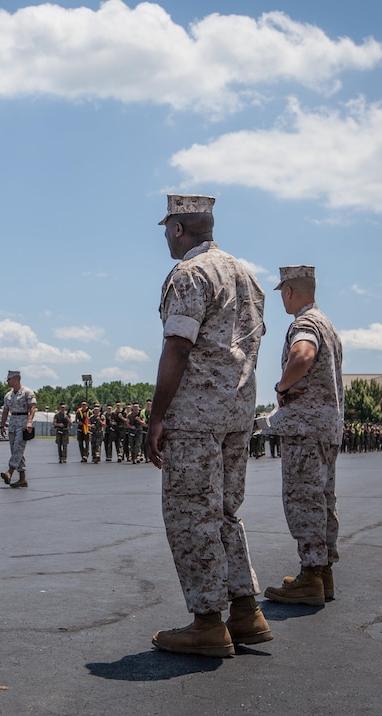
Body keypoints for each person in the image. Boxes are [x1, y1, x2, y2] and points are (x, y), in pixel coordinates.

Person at [144, 193, 271, 658]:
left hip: (196, 417)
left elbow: (177, 347)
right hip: (237, 415)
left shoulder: (189, 273)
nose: (164, 237)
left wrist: (156, 417)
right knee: (224, 514)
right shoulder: (247, 275)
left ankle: (206, 623)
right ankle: (244, 611)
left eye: (166, 228)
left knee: (191, 516)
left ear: (179, 228)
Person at [262, 266, 344, 607]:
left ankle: (310, 575)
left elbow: (303, 355)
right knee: (323, 499)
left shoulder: (305, 323)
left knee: (303, 498)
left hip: (305, 429)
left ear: (290, 291)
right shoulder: (328, 324)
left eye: (283, 291)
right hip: (326, 428)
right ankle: (323, 574)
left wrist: (282, 386)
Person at [0, 370, 36, 487]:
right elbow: (5, 411)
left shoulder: (27, 392)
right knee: (16, 450)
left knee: (18, 448)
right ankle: (22, 479)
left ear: (15, 379)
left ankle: (9, 472)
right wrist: (2, 425)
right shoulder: (8, 395)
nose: (7, 381)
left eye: (9, 379)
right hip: (13, 423)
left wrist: (29, 422)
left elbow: (33, 408)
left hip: (23, 423)